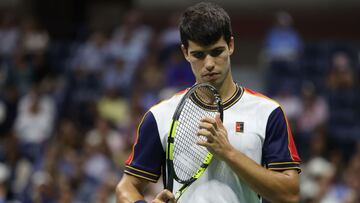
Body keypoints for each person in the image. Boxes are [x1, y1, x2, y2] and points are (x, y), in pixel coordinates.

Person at [116, 2, 301, 203]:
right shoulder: (160, 115)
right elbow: (126, 187)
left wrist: (228, 152)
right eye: (199, 55)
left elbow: (289, 194)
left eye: (216, 52)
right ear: (185, 52)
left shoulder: (268, 112)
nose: (209, 64)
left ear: (231, 45)